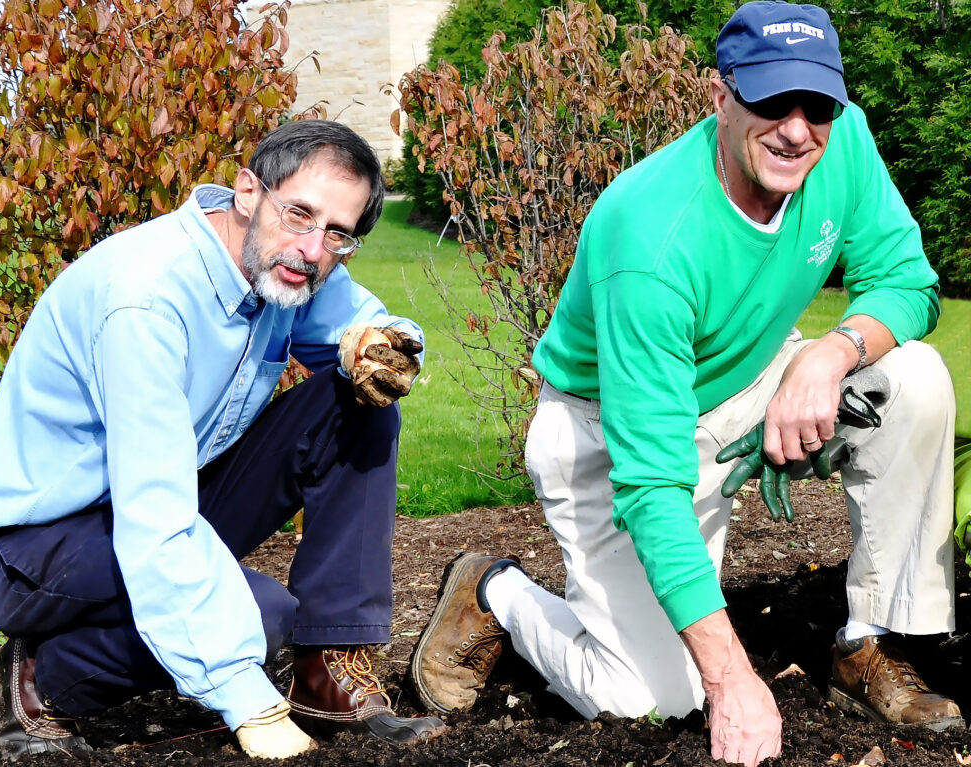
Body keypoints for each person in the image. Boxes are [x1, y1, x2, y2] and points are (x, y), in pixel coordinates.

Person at [409, 3, 962, 766]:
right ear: (719, 95)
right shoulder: (650, 236)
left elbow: (908, 281)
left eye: (818, 106)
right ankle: (493, 589)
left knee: (914, 379)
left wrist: (830, 354)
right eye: (771, 102)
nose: (798, 130)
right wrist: (733, 678)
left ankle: (867, 644)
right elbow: (650, 484)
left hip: (750, 371)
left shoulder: (846, 143)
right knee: (651, 699)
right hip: (612, 434)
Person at [0, 119, 446, 761]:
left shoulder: (285, 266)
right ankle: (44, 675)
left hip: (161, 490)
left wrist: (389, 346)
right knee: (260, 617)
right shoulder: (146, 302)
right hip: (44, 544)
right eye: (300, 214)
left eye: (338, 234)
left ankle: (328, 668)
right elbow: (154, 517)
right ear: (247, 192)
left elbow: (367, 327)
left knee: (362, 393)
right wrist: (246, 697)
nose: (313, 248)